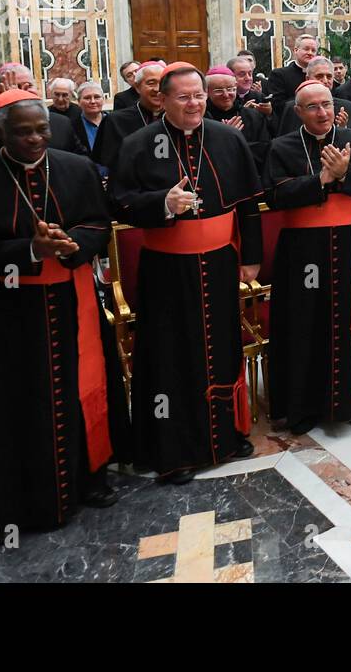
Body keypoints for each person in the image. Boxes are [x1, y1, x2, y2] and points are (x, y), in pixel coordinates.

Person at [0, 91, 118, 541]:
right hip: (7, 312)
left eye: (42, 129)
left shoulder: (75, 168)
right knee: (15, 400)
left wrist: (74, 243)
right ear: (1, 131)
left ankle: (88, 478)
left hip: (71, 297)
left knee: (82, 387)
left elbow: (100, 224)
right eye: (24, 132)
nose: (36, 139)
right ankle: (17, 494)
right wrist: (29, 250)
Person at [108, 63, 263, 483]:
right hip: (166, 267)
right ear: (162, 99)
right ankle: (174, 449)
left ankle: (228, 434)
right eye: (184, 97)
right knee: (173, 356)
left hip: (220, 262)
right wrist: (162, 203)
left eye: (199, 95)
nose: (195, 104)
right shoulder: (139, 143)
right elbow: (119, 204)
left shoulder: (229, 138)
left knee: (223, 345)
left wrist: (251, 257)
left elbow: (248, 203)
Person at [263, 80, 351, 433]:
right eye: (313, 107)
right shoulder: (282, 146)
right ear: (299, 112)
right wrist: (321, 179)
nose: (323, 113)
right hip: (305, 253)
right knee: (306, 323)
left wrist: (346, 173)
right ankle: (302, 406)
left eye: (327, 105)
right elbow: (275, 197)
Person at [0, 65, 87, 161]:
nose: (25, 92)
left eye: (29, 85)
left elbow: (80, 159)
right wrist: (9, 106)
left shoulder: (62, 122)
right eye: (18, 87)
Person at [93, 61, 164, 172]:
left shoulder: (176, 118)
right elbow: (109, 160)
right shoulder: (115, 120)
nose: (157, 89)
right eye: (151, 83)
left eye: (162, 83)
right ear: (137, 87)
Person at [205, 66, 272, 172]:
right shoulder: (201, 118)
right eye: (218, 90)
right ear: (207, 91)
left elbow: (264, 150)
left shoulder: (253, 116)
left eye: (230, 89)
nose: (226, 95)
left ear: (236, 88)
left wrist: (232, 141)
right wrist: (224, 136)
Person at [273, 58, 351, 134]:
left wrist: (343, 128)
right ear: (308, 78)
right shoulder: (292, 107)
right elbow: (286, 141)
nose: (325, 81)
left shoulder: (346, 106)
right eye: (319, 76)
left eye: (329, 77)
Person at [270, 34, 320, 104]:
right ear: (296, 50)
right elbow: (278, 104)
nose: (310, 53)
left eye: (313, 50)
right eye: (306, 49)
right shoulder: (279, 74)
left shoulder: (321, 75)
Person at [73, 81, 108, 156]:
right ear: (79, 102)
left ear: (103, 100)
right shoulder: (72, 126)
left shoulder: (115, 122)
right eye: (87, 98)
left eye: (97, 97)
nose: (92, 101)